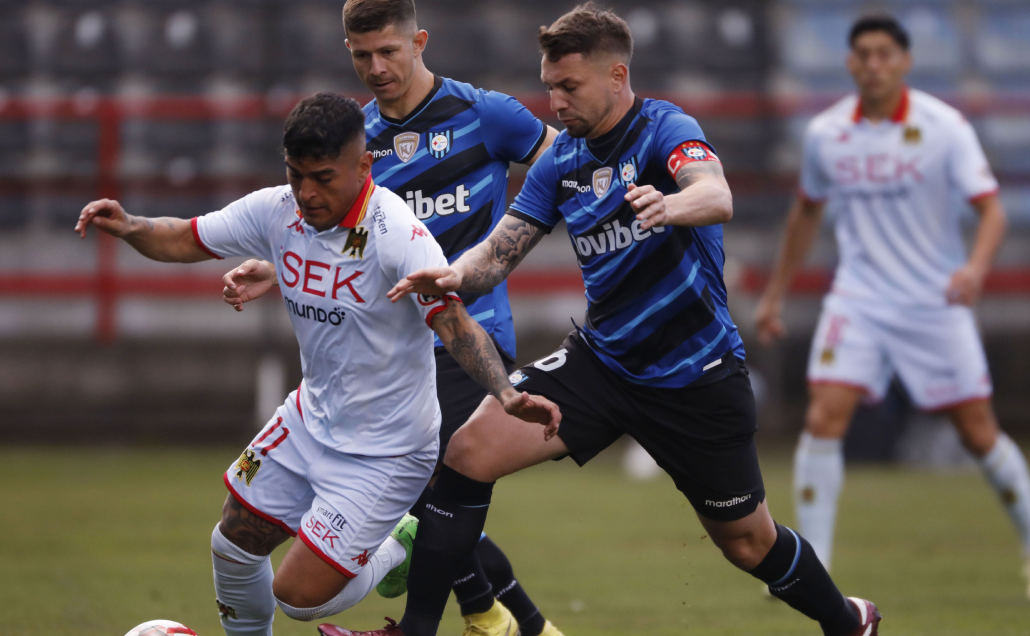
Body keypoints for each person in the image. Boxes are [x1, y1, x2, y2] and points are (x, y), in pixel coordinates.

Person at [320, 5, 880, 636]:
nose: (555, 102)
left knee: (748, 542)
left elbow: (715, 193)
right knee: (469, 451)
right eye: (550, 86)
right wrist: (450, 276)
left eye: (569, 87)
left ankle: (846, 621)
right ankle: (419, 630)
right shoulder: (562, 162)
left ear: (617, 76)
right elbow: (498, 253)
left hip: (694, 376)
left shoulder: (665, 127)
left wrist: (671, 205)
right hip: (603, 363)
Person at [73, 93, 560, 636]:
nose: (306, 192)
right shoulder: (278, 210)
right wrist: (131, 225)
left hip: (387, 450)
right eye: (296, 174)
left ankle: (400, 543)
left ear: (364, 165)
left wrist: (506, 394)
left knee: (298, 599)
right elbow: (187, 238)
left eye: (323, 178)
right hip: (309, 420)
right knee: (232, 543)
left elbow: (453, 322)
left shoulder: (396, 233)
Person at [754, 14, 1030, 594]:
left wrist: (975, 269)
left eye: (885, 54)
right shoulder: (827, 133)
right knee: (823, 419)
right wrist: (776, 293)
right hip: (859, 299)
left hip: (934, 301)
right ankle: (812, 572)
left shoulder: (944, 127)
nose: (874, 64)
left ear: (905, 61)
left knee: (978, 432)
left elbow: (992, 211)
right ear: (850, 63)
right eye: (864, 54)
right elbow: (807, 212)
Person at [343, 2, 562, 635]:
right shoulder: (356, 141)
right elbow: (342, 236)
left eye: (388, 51)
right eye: (361, 56)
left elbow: (567, 168)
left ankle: (473, 621)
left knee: (430, 491)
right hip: (394, 346)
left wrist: (513, 241)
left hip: (472, 335)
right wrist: (274, 268)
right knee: (429, 502)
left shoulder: (485, 114)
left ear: (419, 41)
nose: (376, 68)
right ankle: (513, 622)